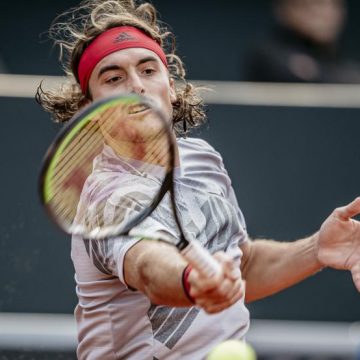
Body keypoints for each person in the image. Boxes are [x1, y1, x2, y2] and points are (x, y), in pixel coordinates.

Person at [36, 1, 360, 359]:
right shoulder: (105, 197)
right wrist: (192, 282)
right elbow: (147, 268)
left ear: (170, 88)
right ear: (89, 111)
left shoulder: (201, 157)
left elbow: (244, 266)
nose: (136, 87)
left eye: (148, 70)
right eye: (114, 78)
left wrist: (316, 249)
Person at [244, 0, 360, 83]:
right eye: (307, 6)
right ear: (284, 10)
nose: (321, 13)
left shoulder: (340, 60)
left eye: (330, 5)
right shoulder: (267, 54)